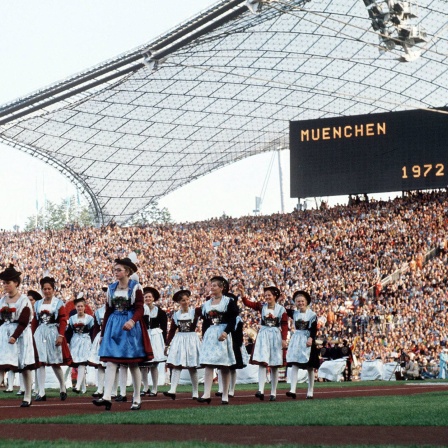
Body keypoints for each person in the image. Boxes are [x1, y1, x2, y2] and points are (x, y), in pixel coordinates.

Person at [93, 257, 152, 411]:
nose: (116, 272)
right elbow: (108, 311)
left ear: (127, 271)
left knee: (132, 362)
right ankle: (107, 396)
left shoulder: (135, 287)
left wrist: (132, 321)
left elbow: (140, 308)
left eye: (119, 270)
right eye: (115, 270)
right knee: (111, 361)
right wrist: (103, 333)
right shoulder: (112, 288)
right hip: (114, 324)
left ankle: (137, 397)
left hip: (130, 325)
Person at [238, 283, 288, 401]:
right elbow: (248, 303)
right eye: (265, 295)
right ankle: (260, 389)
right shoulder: (262, 306)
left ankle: (273, 392)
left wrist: (284, 339)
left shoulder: (281, 310)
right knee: (262, 362)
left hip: (275, 335)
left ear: (275, 296)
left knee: (275, 365)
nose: (267, 297)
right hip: (264, 334)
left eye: (269, 295)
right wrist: (243, 294)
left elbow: (285, 325)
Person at [197, 276, 238, 405]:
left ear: (221, 287)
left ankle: (225, 394)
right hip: (211, 333)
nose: (212, 287)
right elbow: (205, 322)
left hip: (223, 332)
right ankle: (206, 393)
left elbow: (233, 319)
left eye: (215, 285)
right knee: (208, 364)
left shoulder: (228, 302)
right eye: (211, 285)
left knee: (224, 365)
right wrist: (204, 335)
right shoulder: (207, 303)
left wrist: (226, 332)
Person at [0, 264, 36, 407]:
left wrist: (15, 336)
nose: (5, 285)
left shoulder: (23, 301)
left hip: (20, 335)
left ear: (16, 283)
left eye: (8, 283)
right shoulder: (2, 300)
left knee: (24, 365)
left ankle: (27, 395)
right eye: (4, 283)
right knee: (2, 363)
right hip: (5, 333)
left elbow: (23, 321)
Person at [31, 276, 72, 401]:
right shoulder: (37, 304)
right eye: (45, 289)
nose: (47, 291)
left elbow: (63, 320)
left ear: (53, 289)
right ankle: (41, 392)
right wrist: (32, 335)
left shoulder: (58, 303)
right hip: (40, 332)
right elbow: (35, 320)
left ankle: (62, 387)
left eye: (49, 289)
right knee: (40, 362)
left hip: (54, 332)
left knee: (55, 362)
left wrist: (60, 335)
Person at [163, 289, 201, 400]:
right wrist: (167, 344)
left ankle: (195, 392)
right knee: (177, 365)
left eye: (187, 299)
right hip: (180, 339)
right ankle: (172, 389)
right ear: (179, 302)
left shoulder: (194, 312)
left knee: (192, 367)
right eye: (183, 300)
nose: (185, 302)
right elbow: (172, 330)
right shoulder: (176, 315)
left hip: (191, 339)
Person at [286, 290, 319, 400]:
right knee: (295, 364)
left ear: (306, 302)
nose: (300, 303)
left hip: (307, 339)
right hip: (297, 340)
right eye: (298, 301)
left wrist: (311, 338)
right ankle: (293, 389)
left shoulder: (312, 315)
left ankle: (310, 391)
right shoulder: (294, 313)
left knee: (310, 367)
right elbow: (281, 310)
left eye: (302, 301)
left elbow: (314, 328)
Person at [140, 286, 167, 397]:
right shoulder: (141, 311)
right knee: (143, 365)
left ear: (153, 298)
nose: (148, 299)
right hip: (144, 336)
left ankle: (154, 388)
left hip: (156, 338)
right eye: (146, 297)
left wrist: (165, 343)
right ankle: (145, 386)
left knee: (154, 364)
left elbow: (164, 328)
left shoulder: (160, 312)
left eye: (150, 297)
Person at [66, 296, 94, 393]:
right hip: (75, 340)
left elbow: (92, 331)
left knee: (82, 362)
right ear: (75, 307)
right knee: (76, 362)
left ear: (84, 307)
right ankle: (83, 387)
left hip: (85, 340)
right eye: (78, 306)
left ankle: (77, 386)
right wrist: (68, 342)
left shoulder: (90, 318)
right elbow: (69, 331)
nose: (80, 308)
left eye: (81, 306)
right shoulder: (72, 318)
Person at [88, 287, 107, 398]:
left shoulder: (115, 311)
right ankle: (100, 389)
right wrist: (94, 340)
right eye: (104, 296)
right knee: (100, 365)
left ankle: (114, 390)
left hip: (112, 336)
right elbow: (95, 328)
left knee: (113, 364)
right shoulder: (99, 312)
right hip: (100, 337)